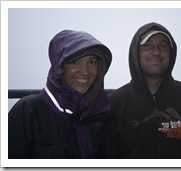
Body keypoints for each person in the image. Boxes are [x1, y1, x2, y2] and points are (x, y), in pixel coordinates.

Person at [105, 22, 181, 159]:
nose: (157, 52)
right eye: (148, 45)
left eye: (163, 46)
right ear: (135, 52)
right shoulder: (113, 103)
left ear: (172, 53)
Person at [8, 30, 112, 159]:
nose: (85, 72)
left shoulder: (100, 115)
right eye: (75, 62)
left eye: (92, 62)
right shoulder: (28, 111)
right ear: (59, 68)